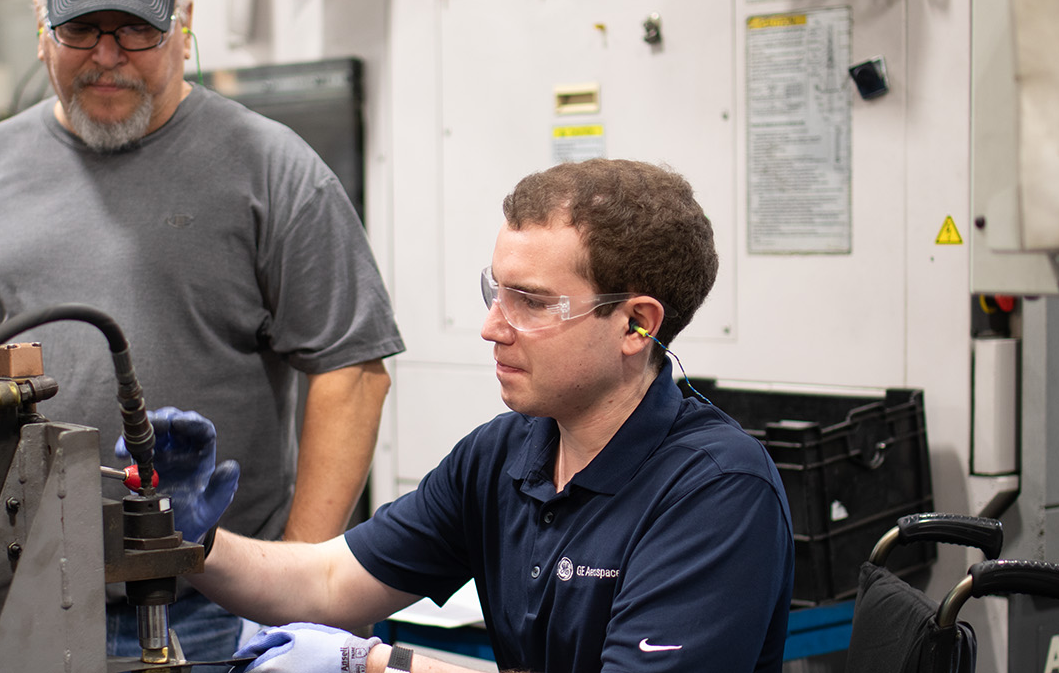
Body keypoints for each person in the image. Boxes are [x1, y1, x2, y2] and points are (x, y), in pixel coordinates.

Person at [0, 0, 402, 661]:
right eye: (81, 30)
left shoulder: (272, 169)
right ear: (42, 29)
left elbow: (352, 371)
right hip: (11, 600)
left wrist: (296, 581)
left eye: (136, 30)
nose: (107, 54)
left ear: (184, 26)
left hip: (210, 610)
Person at [174, 159, 794, 672]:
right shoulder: (503, 456)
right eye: (496, 292)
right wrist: (193, 542)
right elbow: (330, 581)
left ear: (637, 324)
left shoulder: (717, 491)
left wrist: (378, 666)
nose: (492, 327)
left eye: (531, 302)